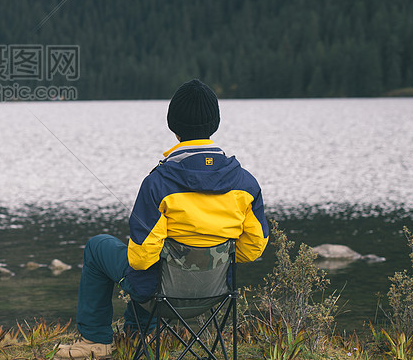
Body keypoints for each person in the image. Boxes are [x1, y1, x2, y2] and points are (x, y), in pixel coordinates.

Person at [57, 79, 269, 358]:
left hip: (162, 298)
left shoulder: (158, 184)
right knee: (155, 262)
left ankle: (96, 341)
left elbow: (140, 259)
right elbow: (253, 249)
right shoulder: (246, 184)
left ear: (173, 125)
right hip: (213, 295)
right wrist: (206, 260)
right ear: (214, 124)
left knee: (100, 247)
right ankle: (136, 335)